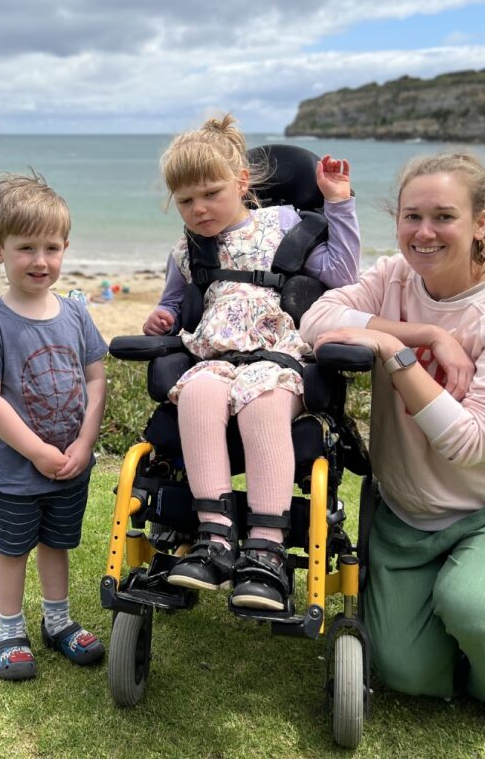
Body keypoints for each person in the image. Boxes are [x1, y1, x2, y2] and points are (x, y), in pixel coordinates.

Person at [300, 151, 485, 715]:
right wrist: (422, 332)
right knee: (404, 672)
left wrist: (397, 355)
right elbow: (315, 320)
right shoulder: (394, 278)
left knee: (477, 610)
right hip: (409, 514)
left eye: (444, 217)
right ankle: (461, 622)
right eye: (411, 217)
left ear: (479, 224)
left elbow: (471, 442)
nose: (424, 233)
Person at [141, 115, 359, 610]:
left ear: (241, 182)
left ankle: (268, 549)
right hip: (216, 356)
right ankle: (214, 538)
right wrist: (162, 316)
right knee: (196, 393)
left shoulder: (285, 225)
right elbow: (175, 304)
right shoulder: (187, 251)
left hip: (279, 359)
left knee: (261, 402)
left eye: (211, 194)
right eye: (185, 201)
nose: (198, 209)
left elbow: (343, 274)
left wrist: (339, 203)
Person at [0, 172, 108, 681]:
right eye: (25, 248)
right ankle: (10, 629)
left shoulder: (76, 313)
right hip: (16, 470)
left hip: (70, 465)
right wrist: (36, 450)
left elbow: (95, 378)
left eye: (51, 247)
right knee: (12, 549)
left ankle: (57, 621)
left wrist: (85, 442)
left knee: (57, 543)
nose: (40, 261)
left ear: (65, 247)